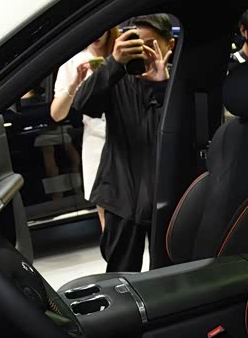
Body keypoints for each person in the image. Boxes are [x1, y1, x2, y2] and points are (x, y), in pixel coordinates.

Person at [73, 14, 175, 273]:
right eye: (136, 45)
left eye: (150, 44)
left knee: (168, 274)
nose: (143, 52)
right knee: (120, 275)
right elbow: (82, 104)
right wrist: (114, 63)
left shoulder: (177, 82)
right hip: (121, 194)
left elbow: (177, 133)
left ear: (170, 44)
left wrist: (161, 87)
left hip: (166, 196)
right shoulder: (115, 77)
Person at [51, 27, 119, 230]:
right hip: (97, 142)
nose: (96, 34)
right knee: (107, 214)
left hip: (131, 136)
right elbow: (57, 114)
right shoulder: (74, 62)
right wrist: (74, 84)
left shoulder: (121, 50)